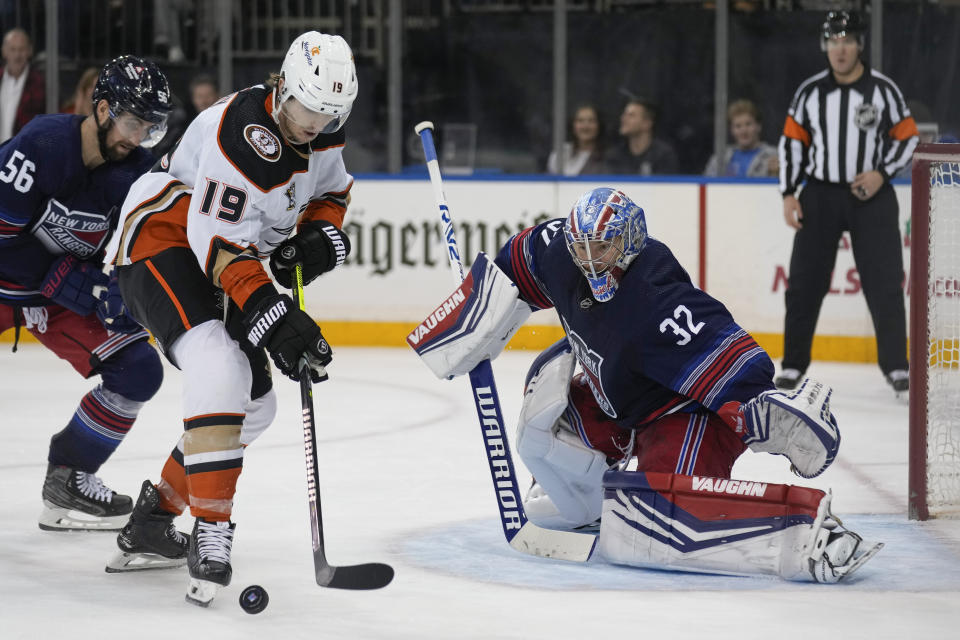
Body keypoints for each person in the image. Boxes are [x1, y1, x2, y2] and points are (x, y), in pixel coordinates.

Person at [411, 186, 880, 583]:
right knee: (541, 423)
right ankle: (592, 503)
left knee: (663, 520)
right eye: (582, 247)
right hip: (615, 395)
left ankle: (806, 533)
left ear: (630, 243)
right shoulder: (559, 250)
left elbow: (728, 355)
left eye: (603, 248)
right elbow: (513, 264)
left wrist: (762, 409)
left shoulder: (656, 299)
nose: (589, 261)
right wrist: (472, 319)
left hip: (682, 414)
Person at [103, 31, 357, 606]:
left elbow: (332, 193)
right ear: (284, 87)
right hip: (161, 238)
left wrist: (318, 237)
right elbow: (217, 246)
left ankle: (154, 518)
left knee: (256, 404)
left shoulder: (325, 130)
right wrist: (275, 317)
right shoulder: (240, 134)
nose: (316, 124)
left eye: (330, 113)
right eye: (308, 108)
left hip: (221, 256)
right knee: (216, 358)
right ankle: (212, 530)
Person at [0, 56, 173, 531]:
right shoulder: (43, 143)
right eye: (131, 122)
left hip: (49, 294)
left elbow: (132, 252)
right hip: (9, 278)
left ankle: (69, 476)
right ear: (101, 109)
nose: (136, 138)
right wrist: (62, 279)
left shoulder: (137, 175)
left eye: (149, 128)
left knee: (137, 370)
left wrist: (121, 289)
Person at [777, 11, 918, 394]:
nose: (840, 49)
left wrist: (882, 173)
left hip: (870, 195)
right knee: (804, 283)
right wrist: (790, 192)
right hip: (819, 194)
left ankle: (896, 367)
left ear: (860, 45)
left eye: (847, 40)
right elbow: (792, 143)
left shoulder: (883, 90)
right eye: (833, 41)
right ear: (826, 46)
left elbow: (907, 138)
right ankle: (792, 364)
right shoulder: (810, 92)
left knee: (885, 282)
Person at [703, 99, 778, 177]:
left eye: (748, 124)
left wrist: (776, 174)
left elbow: (785, 184)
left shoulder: (773, 155)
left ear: (758, 126)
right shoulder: (721, 158)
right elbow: (708, 184)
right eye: (738, 126)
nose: (743, 131)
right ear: (731, 130)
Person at [605, 98, 678, 175]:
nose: (623, 118)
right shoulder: (614, 155)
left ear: (647, 123)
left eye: (631, 115)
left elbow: (667, 185)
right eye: (624, 114)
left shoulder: (663, 155)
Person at [0, 28, 45, 144]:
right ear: (4, 51)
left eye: (21, 49)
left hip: (23, 152)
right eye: (12, 49)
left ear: (29, 51)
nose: (17, 55)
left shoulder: (39, 83)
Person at [546, 105, 605, 176]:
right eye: (580, 120)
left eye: (591, 121)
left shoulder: (607, 156)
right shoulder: (561, 153)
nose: (585, 126)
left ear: (599, 125)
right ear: (573, 125)